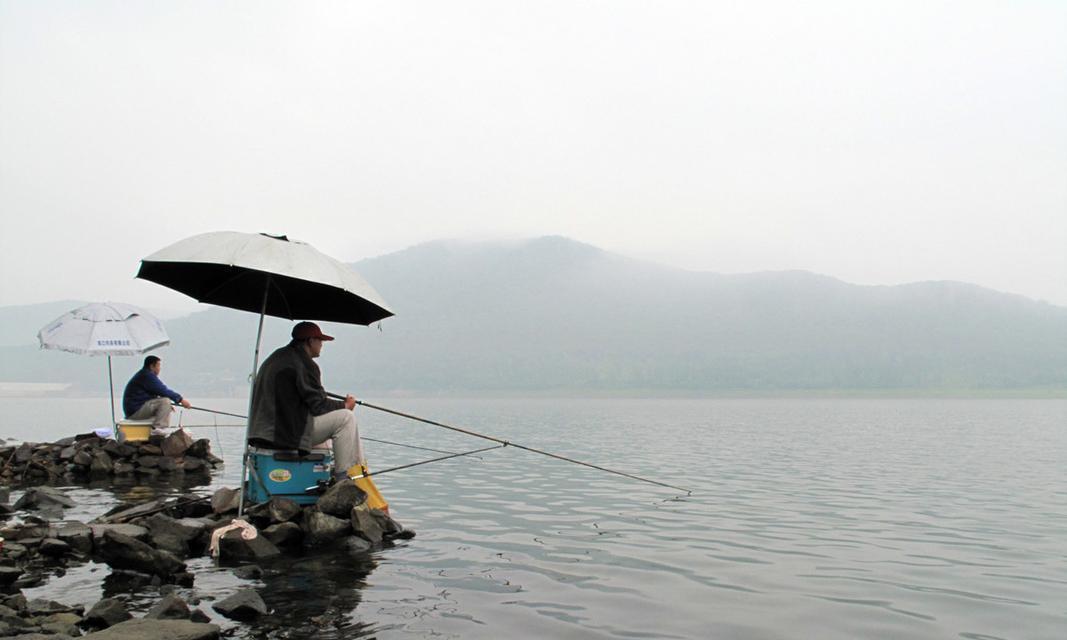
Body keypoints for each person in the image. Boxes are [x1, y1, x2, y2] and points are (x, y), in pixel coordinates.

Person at [248, 321, 364, 480]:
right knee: (346, 418)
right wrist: (345, 405)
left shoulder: (277, 357)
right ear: (310, 341)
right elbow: (319, 406)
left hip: (261, 434)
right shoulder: (304, 363)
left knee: (326, 445)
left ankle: (328, 476)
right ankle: (344, 478)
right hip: (282, 434)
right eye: (320, 340)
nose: (322, 345)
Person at [122, 355, 191, 429]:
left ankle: (158, 429)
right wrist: (181, 400)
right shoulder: (147, 376)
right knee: (165, 401)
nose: (159, 369)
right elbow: (163, 390)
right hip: (135, 411)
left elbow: (152, 395)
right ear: (152, 366)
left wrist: (166, 407)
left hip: (133, 410)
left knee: (166, 404)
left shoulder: (144, 374)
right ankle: (159, 428)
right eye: (158, 366)